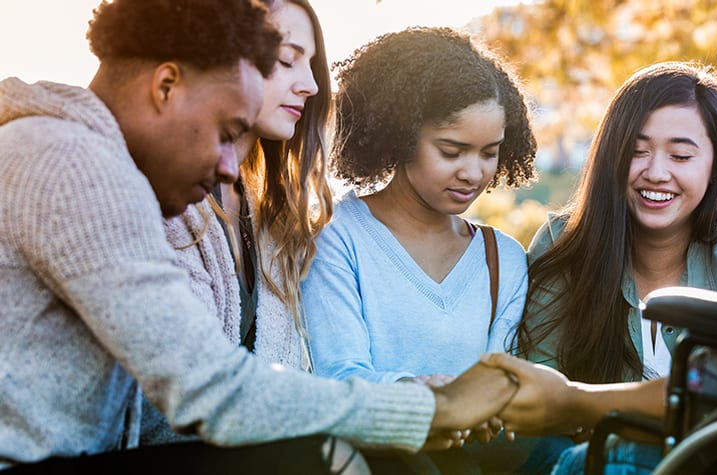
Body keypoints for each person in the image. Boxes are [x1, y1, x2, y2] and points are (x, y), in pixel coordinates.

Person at [0, 0, 517, 472]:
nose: (231, 168)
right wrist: (432, 407)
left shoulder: (91, 158)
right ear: (165, 86)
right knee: (319, 459)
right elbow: (208, 389)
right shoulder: (68, 163)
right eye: (227, 134)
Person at [298, 26, 541, 473]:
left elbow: (497, 380)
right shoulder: (337, 237)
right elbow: (340, 374)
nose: (473, 172)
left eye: (489, 152)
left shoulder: (502, 259)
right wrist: (428, 397)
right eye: (452, 151)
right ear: (401, 136)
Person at [503, 61, 717, 474]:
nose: (656, 172)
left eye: (681, 155)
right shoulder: (565, 244)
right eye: (637, 151)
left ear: (715, 165)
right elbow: (540, 402)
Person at [140, 0, 334, 446]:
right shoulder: (162, 196)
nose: (309, 85)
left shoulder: (272, 218)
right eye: (286, 60)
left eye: (311, 65)